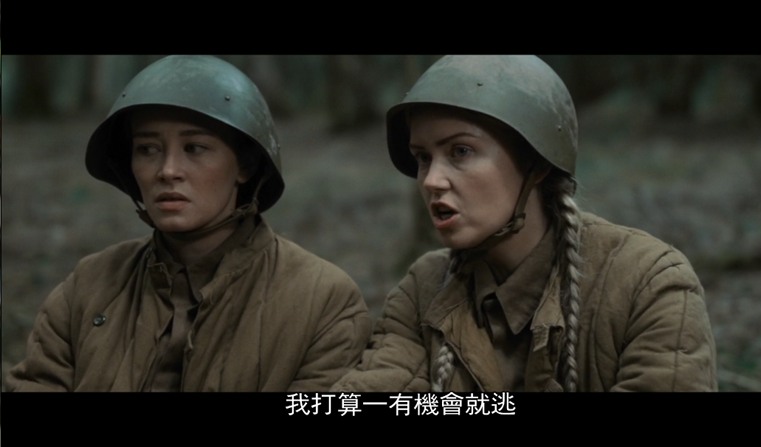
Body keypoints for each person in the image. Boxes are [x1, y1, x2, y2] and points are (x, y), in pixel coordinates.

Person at [331, 55, 717, 392]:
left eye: (460, 151)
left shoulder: (647, 284)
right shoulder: (424, 288)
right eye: (423, 158)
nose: (432, 180)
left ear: (536, 163)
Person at [5, 55, 372, 392]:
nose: (167, 171)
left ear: (245, 165)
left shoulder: (322, 300)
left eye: (195, 148)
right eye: (148, 149)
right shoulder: (89, 286)